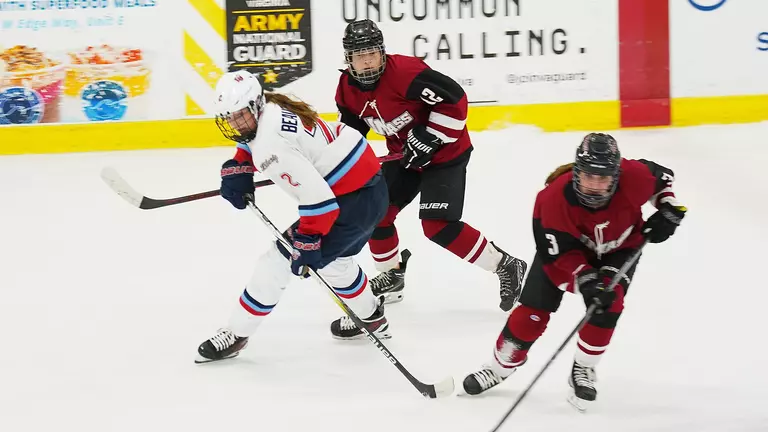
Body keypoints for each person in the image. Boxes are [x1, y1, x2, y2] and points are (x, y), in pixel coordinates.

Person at [461, 133, 687, 411]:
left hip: (619, 249)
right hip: (565, 255)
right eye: (588, 176)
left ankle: (584, 368)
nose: (594, 185)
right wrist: (585, 279)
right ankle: (500, 366)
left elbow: (663, 178)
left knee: (609, 303)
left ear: (616, 176)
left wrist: (667, 208)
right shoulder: (552, 199)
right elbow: (557, 253)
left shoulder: (635, 177)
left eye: (603, 178)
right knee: (530, 316)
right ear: (576, 172)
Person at [195, 70, 391, 363]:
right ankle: (371, 317)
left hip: (349, 201)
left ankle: (236, 334)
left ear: (255, 106)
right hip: (369, 189)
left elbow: (319, 201)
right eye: (229, 117)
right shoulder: (272, 107)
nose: (234, 124)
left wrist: (308, 240)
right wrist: (240, 163)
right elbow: (251, 140)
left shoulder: (271, 145)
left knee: (276, 262)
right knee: (336, 263)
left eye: (240, 116)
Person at [335, 19, 528, 311]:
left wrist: (430, 137)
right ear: (348, 59)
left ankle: (506, 265)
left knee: (437, 226)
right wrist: (337, 161)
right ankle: (392, 276)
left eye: (372, 53)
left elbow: (455, 101)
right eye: (359, 56)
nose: (367, 61)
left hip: (446, 156)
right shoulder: (347, 90)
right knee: (376, 212)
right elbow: (352, 133)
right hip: (404, 156)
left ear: (382, 52)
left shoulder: (406, 74)